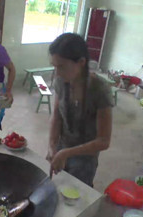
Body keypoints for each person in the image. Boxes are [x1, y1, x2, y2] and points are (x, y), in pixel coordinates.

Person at [47, 33, 113, 187]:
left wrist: (66, 153)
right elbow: (56, 117)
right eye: (54, 67)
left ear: (81, 62)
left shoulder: (99, 90)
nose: (57, 73)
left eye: (61, 66)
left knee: (77, 195)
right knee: (57, 188)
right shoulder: (61, 82)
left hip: (85, 156)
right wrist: (52, 147)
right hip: (62, 146)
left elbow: (104, 141)